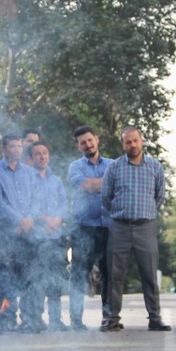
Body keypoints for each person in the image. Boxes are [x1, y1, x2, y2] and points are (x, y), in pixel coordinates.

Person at [100, 126, 171, 332]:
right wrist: (122, 213)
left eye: (135, 141)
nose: (132, 145)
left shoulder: (155, 167)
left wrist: (145, 214)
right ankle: (112, 318)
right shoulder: (114, 168)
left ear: (142, 141)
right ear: (123, 144)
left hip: (145, 228)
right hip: (120, 228)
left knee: (149, 274)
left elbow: (159, 197)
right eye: (128, 142)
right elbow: (106, 197)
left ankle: (155, 318)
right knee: (115, 275)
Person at [0, 133, 39, 334]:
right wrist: (19, 220)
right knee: (3, 278)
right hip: (4, 234)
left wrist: (30, 219)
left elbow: (36, 200)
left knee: (25, 277)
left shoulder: (29, 172)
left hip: (27, 234)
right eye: (12, 146)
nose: (16, 150)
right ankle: (3, 321)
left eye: (19, 146)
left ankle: (27, 320)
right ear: (3, 148)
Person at [67, 125, 111, 332]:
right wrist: (107, 183)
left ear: (97, 139)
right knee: (78, 275)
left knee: (109, 274)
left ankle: (109, 319)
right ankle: (76, 321)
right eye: (82, 142)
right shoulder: (74, 167)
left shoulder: (113, 164)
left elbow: (103, 186)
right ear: (78, 146)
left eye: (89, 140)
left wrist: (97, 183)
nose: (87, 144)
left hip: (109, 227)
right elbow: (86, 186)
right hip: (83, 228)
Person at [28, 141, 71, 332]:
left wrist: (57, 220)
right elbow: (29, 206)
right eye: (37, 154)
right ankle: (35, 319)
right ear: (31, 158)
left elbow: (64, 204)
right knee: (37, 280)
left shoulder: (57, 181)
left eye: (45, 152)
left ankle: (56, 319)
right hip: (36, 238)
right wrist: (46, 220)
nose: (42, 156)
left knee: (55, 281)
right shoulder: (28, 179)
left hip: (56, 237)